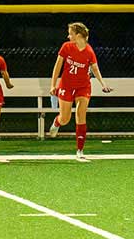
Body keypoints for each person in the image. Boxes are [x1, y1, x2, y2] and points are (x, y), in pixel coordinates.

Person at [48, 22, 114, 161]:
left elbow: (95, 69)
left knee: (80, 113)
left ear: (78, 35)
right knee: (65, 118)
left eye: (70, 33)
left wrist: (103, 84)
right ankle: (57, 122)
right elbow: (57, 66)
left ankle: (80, 149)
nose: (68, 36)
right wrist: (53, 85)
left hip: (83, 87)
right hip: (66, 85)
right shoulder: (66, 47)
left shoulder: (89, 51)